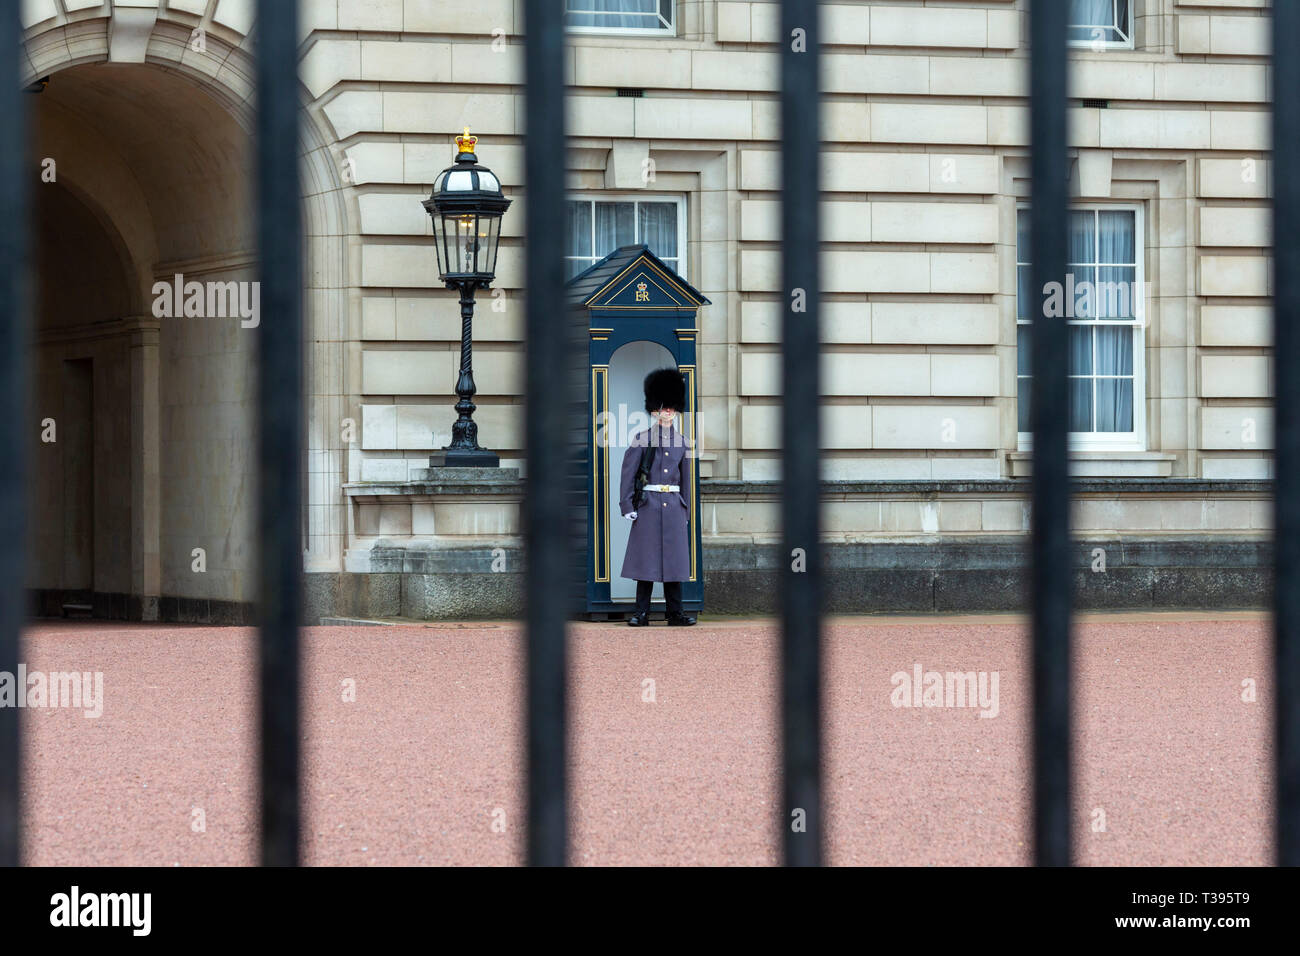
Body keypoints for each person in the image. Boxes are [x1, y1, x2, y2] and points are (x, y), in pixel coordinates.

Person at [619, 367, 696, 627]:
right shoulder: (642, 439)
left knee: (674, 564)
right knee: (646, 563)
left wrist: (685, 510)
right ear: (655, 409)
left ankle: (675, 612)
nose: (668, 411)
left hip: (674, 505)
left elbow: (686, 480)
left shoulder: (683, 442)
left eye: (671, 407)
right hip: (649, 505)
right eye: (664, 407)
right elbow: (627, 474)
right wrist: (626, 504)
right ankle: (641, 612)